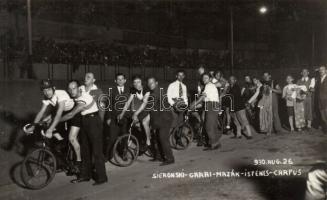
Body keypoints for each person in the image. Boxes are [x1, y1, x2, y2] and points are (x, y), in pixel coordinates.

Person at [60, 80, 108, 185]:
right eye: (70, 89)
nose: (71, 91)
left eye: (74, 88)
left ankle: (102, 177)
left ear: (78, 88)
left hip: (93, 121)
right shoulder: (79, 94)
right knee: (85, 151)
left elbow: (71, 114)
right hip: (85, 121)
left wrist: (55, 121)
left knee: (96, 151)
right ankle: (85, 175)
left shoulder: (84, 98)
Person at [147, 77, 175, 166]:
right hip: (159, 119)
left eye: (152, 83)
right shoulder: (154, 92)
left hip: (165, 119)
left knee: (163, 138)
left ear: (156, 83)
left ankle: (170, 158)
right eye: (149, 83)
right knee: (157, 138)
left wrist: (137, 115)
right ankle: (159, 156)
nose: (150, 84)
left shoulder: (157, 92)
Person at [190, 73, 221, 150]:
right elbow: (203, 100)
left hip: (212, 105)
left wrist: (193, 105)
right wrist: (196, 105)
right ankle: (215, 143)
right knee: (212, 125)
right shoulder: (209, 86)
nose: (204, 79)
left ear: (210, 79)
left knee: (208, 126)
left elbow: (202, 98)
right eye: (203, 78)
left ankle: (214, 144)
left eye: (206, 78)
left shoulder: (209, 85)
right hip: (211, 105)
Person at [118, 75, 151, 146]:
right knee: (130, 122)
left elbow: (145, 103)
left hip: (149, 108)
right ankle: (129, 138)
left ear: (142, 82)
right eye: (134, 82)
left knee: (145, 123)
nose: (136, 84)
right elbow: (128, 102)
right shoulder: (133, 90)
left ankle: (148, 139)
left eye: (138, 82)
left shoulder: (146, 89)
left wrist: (135, 114)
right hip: (140, 108)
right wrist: (122, 113)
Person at [105, 73, 130, 159]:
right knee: (112, 137)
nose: (120, 81)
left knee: (124, 137)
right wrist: (108, 117)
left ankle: (123, 154)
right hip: (114, 117)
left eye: (122, 79)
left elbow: (130, 105)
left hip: (125, 117)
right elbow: (108, 105)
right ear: (115, 81)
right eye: (118, 79)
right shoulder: (111, 90)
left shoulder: (128, 90)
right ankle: (108, 155)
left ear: (125, 80)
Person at [316, 65, 327, 133]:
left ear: (326, 70)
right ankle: (325, 129)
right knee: (323, 116)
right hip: (320, 100)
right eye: (320, 70)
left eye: (322, 69)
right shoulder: (319, 79)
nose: (321, 71)